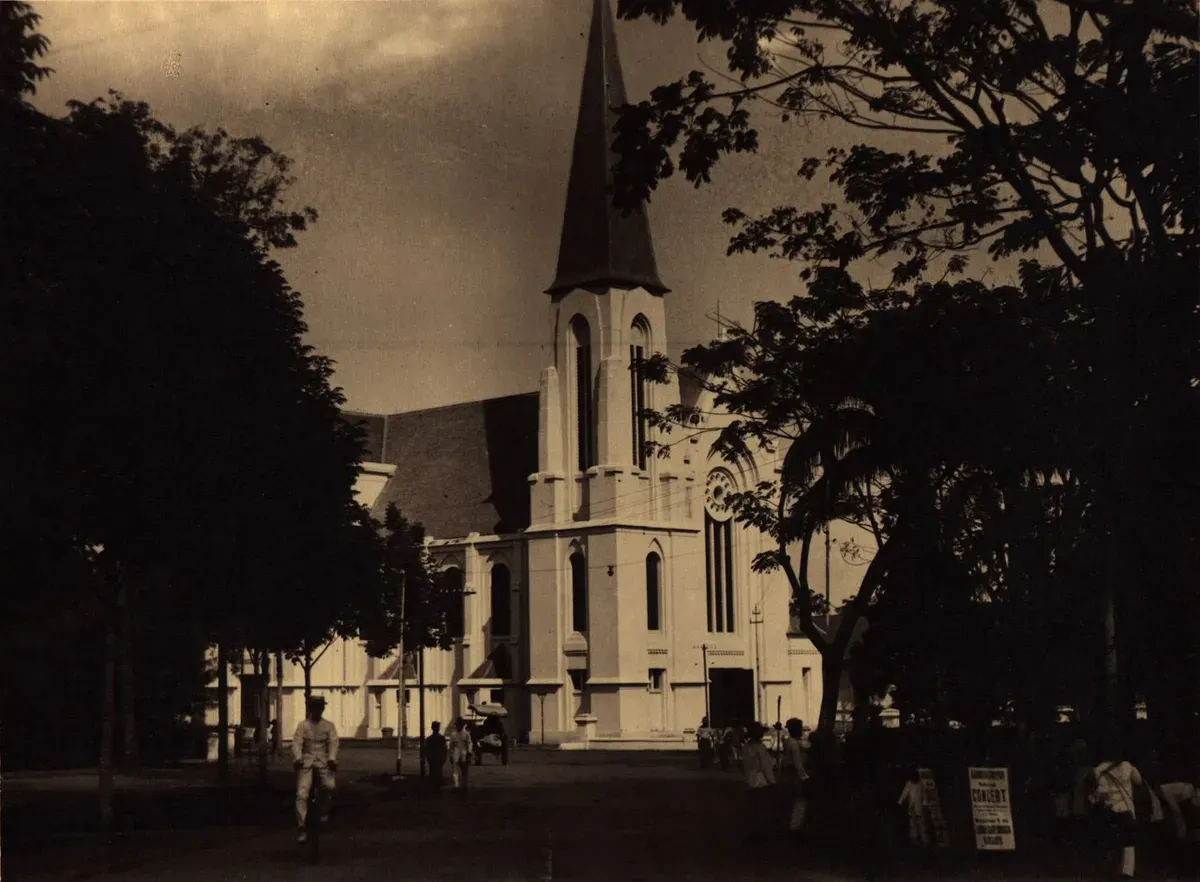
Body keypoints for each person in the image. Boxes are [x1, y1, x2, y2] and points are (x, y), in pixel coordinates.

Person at [1089, 739, 1146, 880]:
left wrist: (1093, 798)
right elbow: (1139, 781)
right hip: (1127, 809)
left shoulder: (1099, 769)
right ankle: (1127, 873)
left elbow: (1103, 791)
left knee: (1111, 842)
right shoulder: (1127, 765)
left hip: (1110, 810)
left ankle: (1112, 870)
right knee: (1128, 843)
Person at [292, 696, 338, 843]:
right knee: (301, 793)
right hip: (306, 760)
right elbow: (297, 743)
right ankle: (301, 825)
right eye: (314, 707)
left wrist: (331, 758)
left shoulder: (329, 726)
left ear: (323, 709)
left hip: (323, 761)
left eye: (319, 707)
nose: (316, 710)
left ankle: (323, 810)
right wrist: (298, 758)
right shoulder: (303, 725)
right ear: (310, 709)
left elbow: (333, 743)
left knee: (330, 786)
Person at [741, 722, 777, 843]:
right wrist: (772, 781)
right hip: (762, 780)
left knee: (754, 808)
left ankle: (754, 832)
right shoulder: (760, 747)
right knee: (762, 808)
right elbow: (765, 766)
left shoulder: (746, 746)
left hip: (750, 779)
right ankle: (761, 833)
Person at [780, 718, 811, 836]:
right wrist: (804, 777)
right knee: (800, 800)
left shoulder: (791, 741)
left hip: (791, 773)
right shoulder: (793, 743)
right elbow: (798, 763)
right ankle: (795, 827)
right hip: (796, 774)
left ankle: (794, 825)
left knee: (795, 800)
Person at [898, 768, 929, 849]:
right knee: (913, 825)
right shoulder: (909, 784)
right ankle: (915, 841)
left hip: (919, 808)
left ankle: (924, 841)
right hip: (912, 808)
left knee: (921, 824)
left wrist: (925, 804)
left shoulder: (920, 784)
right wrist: (899, 802)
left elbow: (924, 794)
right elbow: (904, 794)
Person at [449, 717, 474, 792]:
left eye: (460, 725)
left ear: (463, 725)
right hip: (456, 753)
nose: (459, 726)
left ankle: (464, 785)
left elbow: (470, 743)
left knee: (464, 771)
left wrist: (469, 752)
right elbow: (451, 745)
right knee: (455, 770)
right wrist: (450, 754)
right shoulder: (453, 734)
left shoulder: (466, 734)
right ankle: (456, 785)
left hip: (464, 753)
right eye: (458, 725)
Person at [423, 721, 448, 790]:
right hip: (438, 758)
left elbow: (426, 750)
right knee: (438, 772)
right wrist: (443, 758)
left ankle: (434, 787)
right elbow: (444, 749)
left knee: (433, 772)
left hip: (433, 759)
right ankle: (437, 787)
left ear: (432, 728)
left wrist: (428, 757)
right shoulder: (441, 738)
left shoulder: (429, 739)